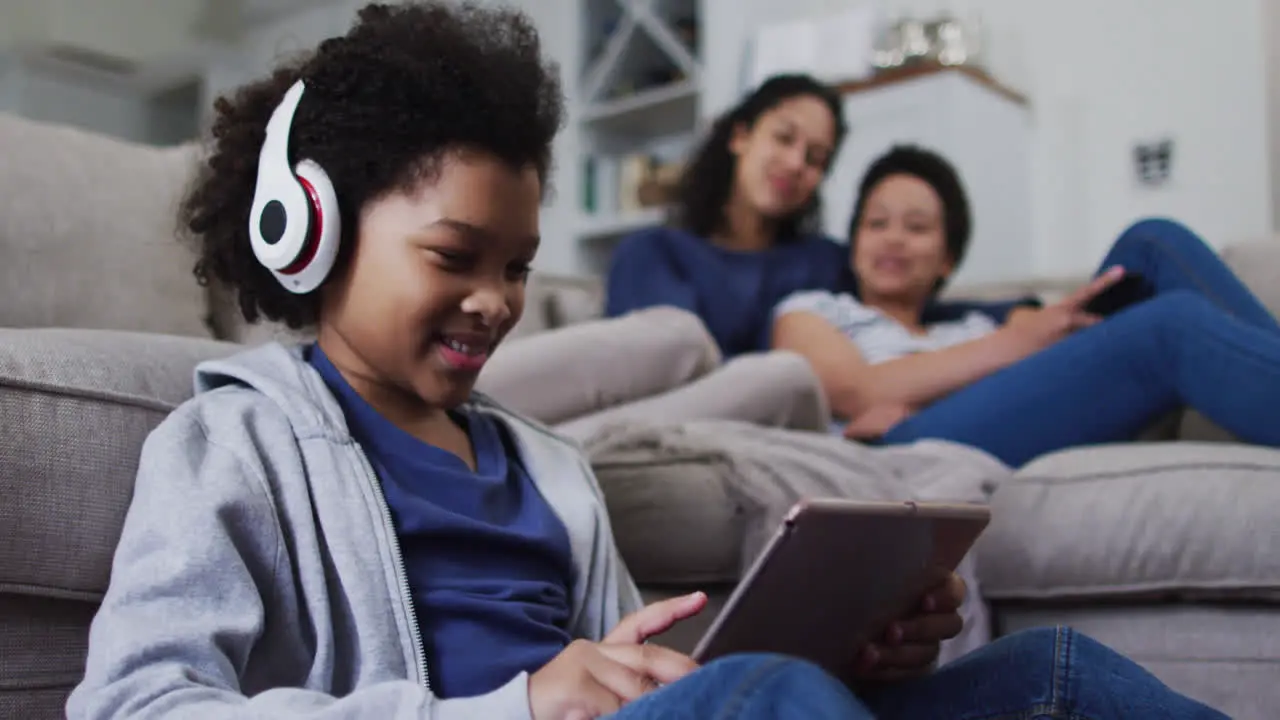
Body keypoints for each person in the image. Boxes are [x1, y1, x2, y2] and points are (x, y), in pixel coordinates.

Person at [65, 5, 1228, 718]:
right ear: (307, 234)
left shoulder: (548, 466)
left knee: (1051, 676)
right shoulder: (234, 442)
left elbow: (636, 672)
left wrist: (848, 656)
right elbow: (132, 704)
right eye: (454, 256)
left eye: (518, 265)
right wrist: (517, 707)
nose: (496, 301)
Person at [773, 144, 1280, 468]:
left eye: (917, 227)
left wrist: (1016, 338)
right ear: (854, 241)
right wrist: (1016, 343)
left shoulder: (971, 327)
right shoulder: (813, 309)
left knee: (1152, 243)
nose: (893, 240)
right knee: (1172, 327)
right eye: (876, 223)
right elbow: (857, 393)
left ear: (948, 259)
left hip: (995, 421)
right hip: (901, 452)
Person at [604, 74, 1028, 360]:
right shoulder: (655, 253)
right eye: (784, 137)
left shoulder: (826, 264)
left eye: (815, 158)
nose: (794, 164)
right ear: (740, 136)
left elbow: (914, 304)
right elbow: (666, 362)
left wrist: (1017, 314)